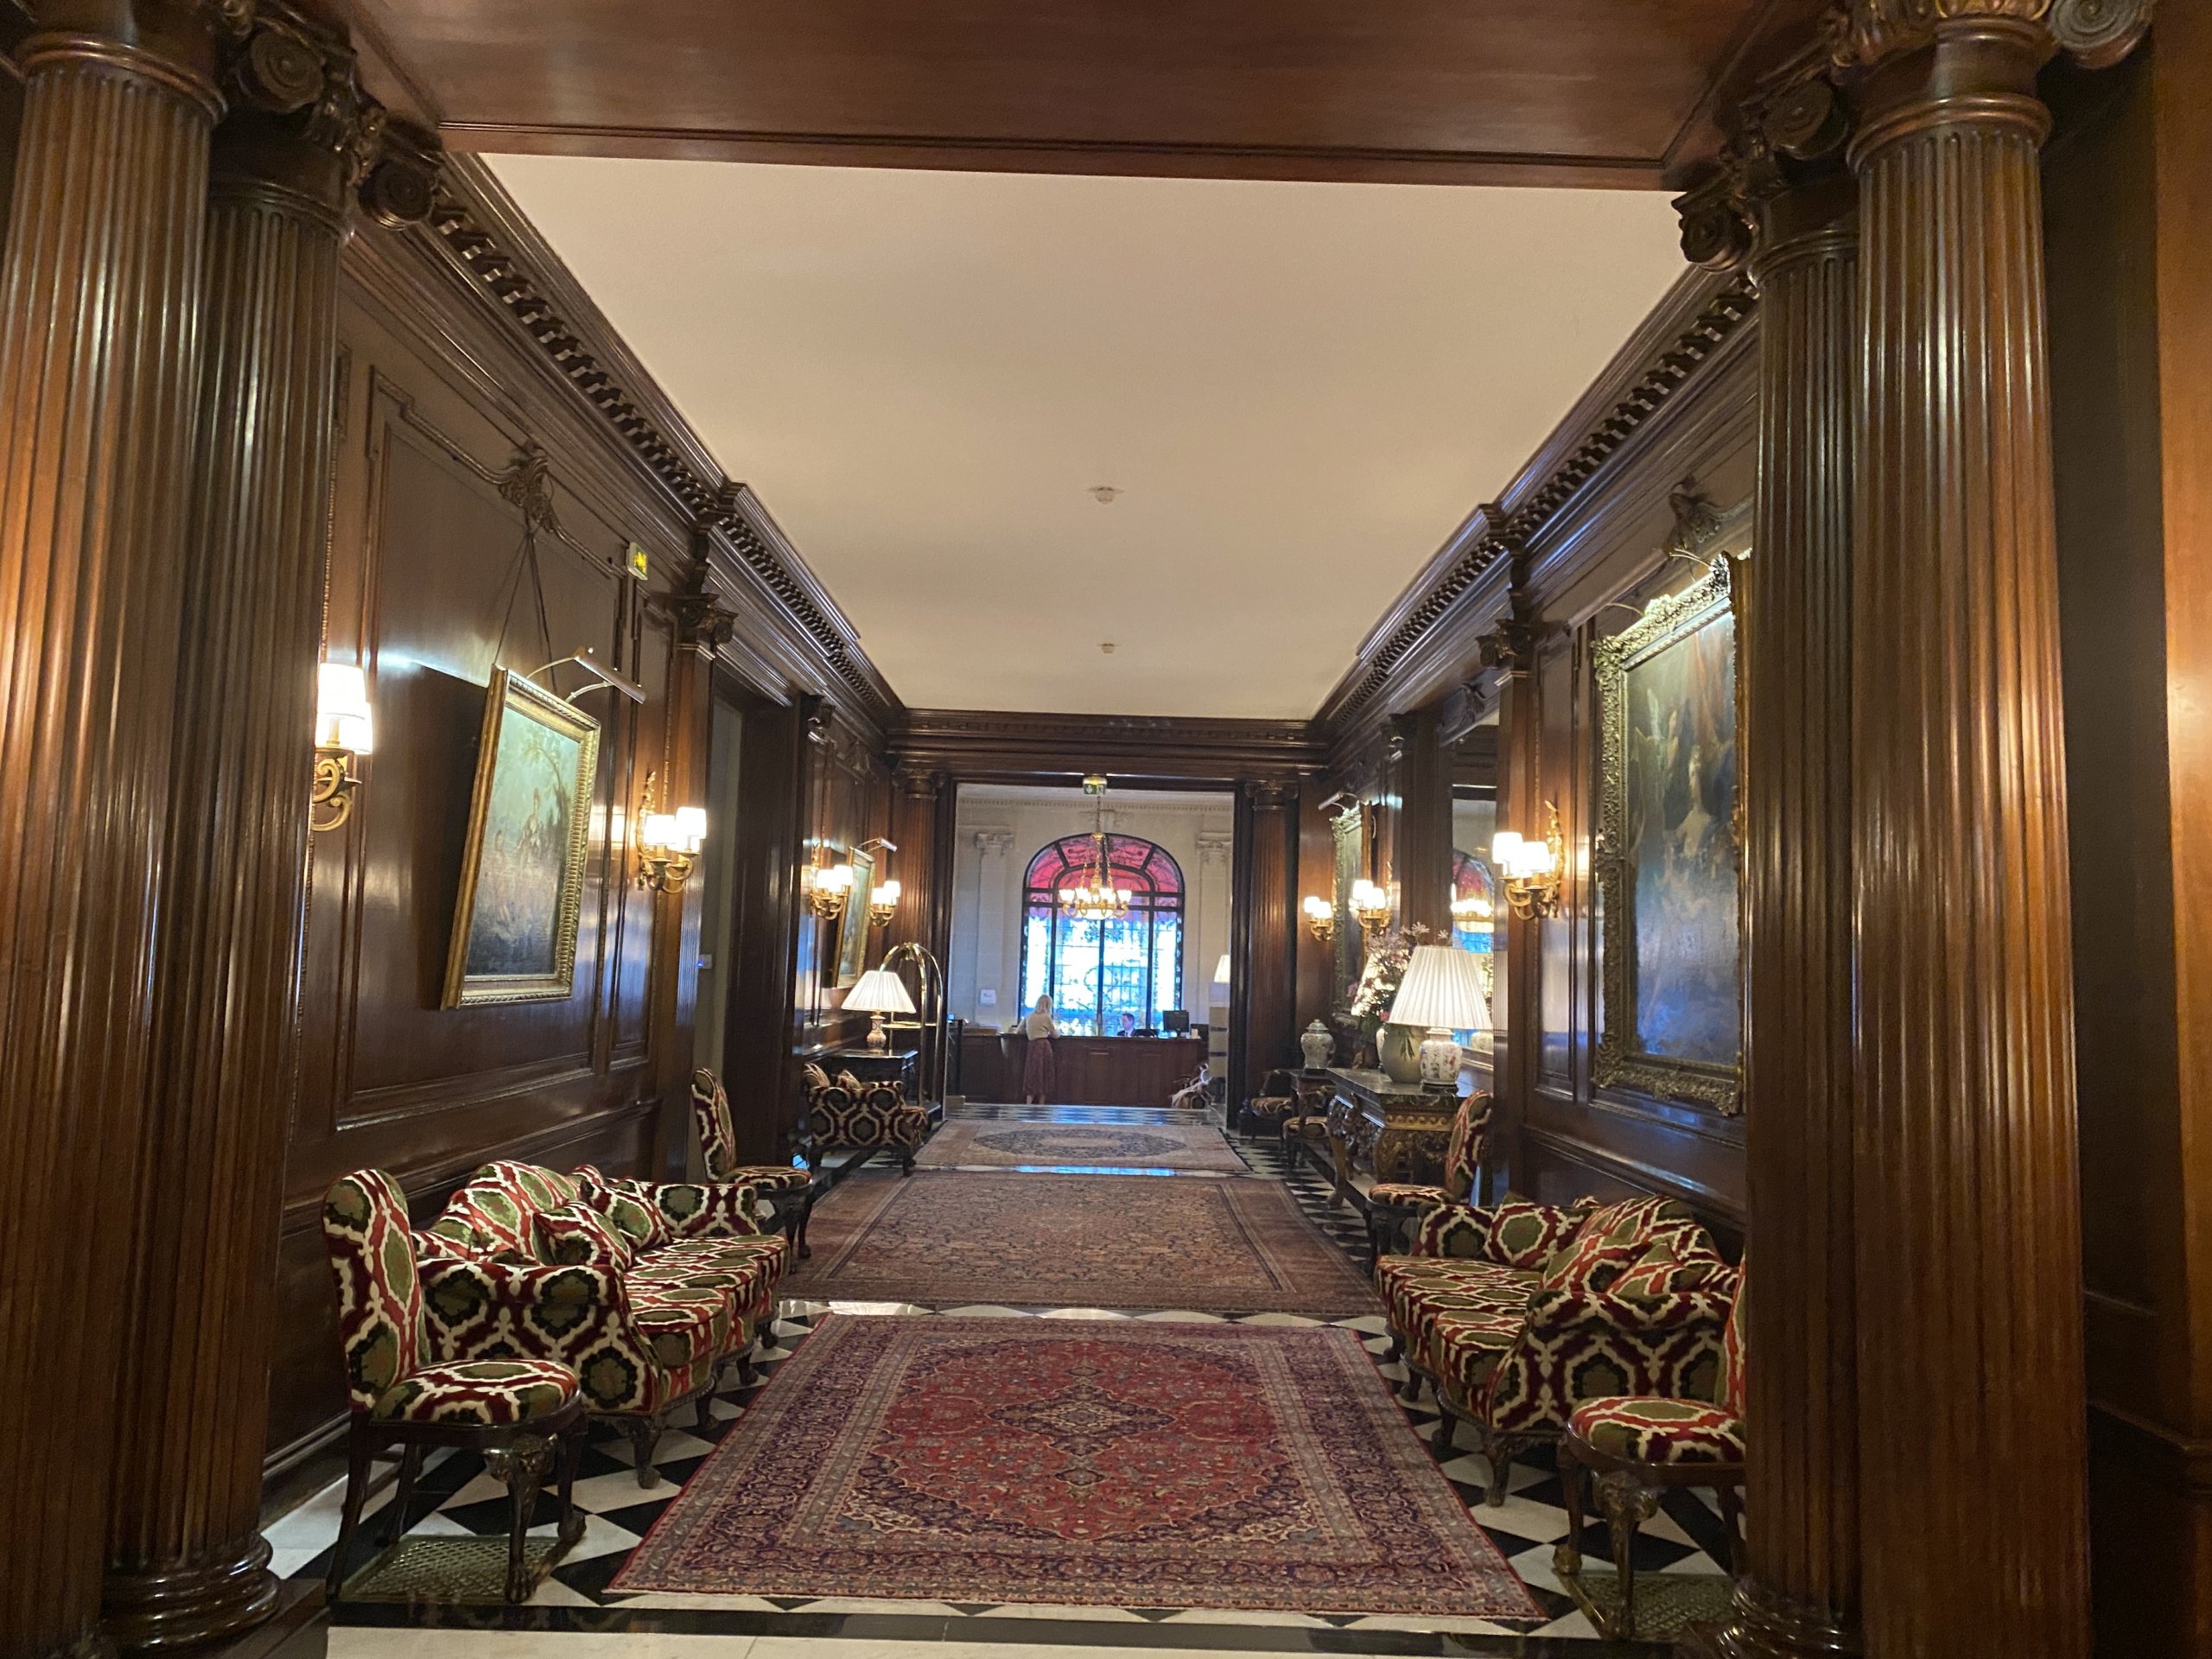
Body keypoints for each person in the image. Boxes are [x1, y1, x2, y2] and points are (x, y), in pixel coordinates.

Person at [1022, 994, 1058, 1103]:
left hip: (1031, 1046)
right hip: (1043, 1047)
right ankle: (1041, 1105)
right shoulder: (1046, 1017)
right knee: (1044, 1074)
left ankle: (1028, 1103)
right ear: (1048, 1005)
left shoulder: (1029, 1016)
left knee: (1032, 1073)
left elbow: (1019, 1030)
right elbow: (1055, 1034)